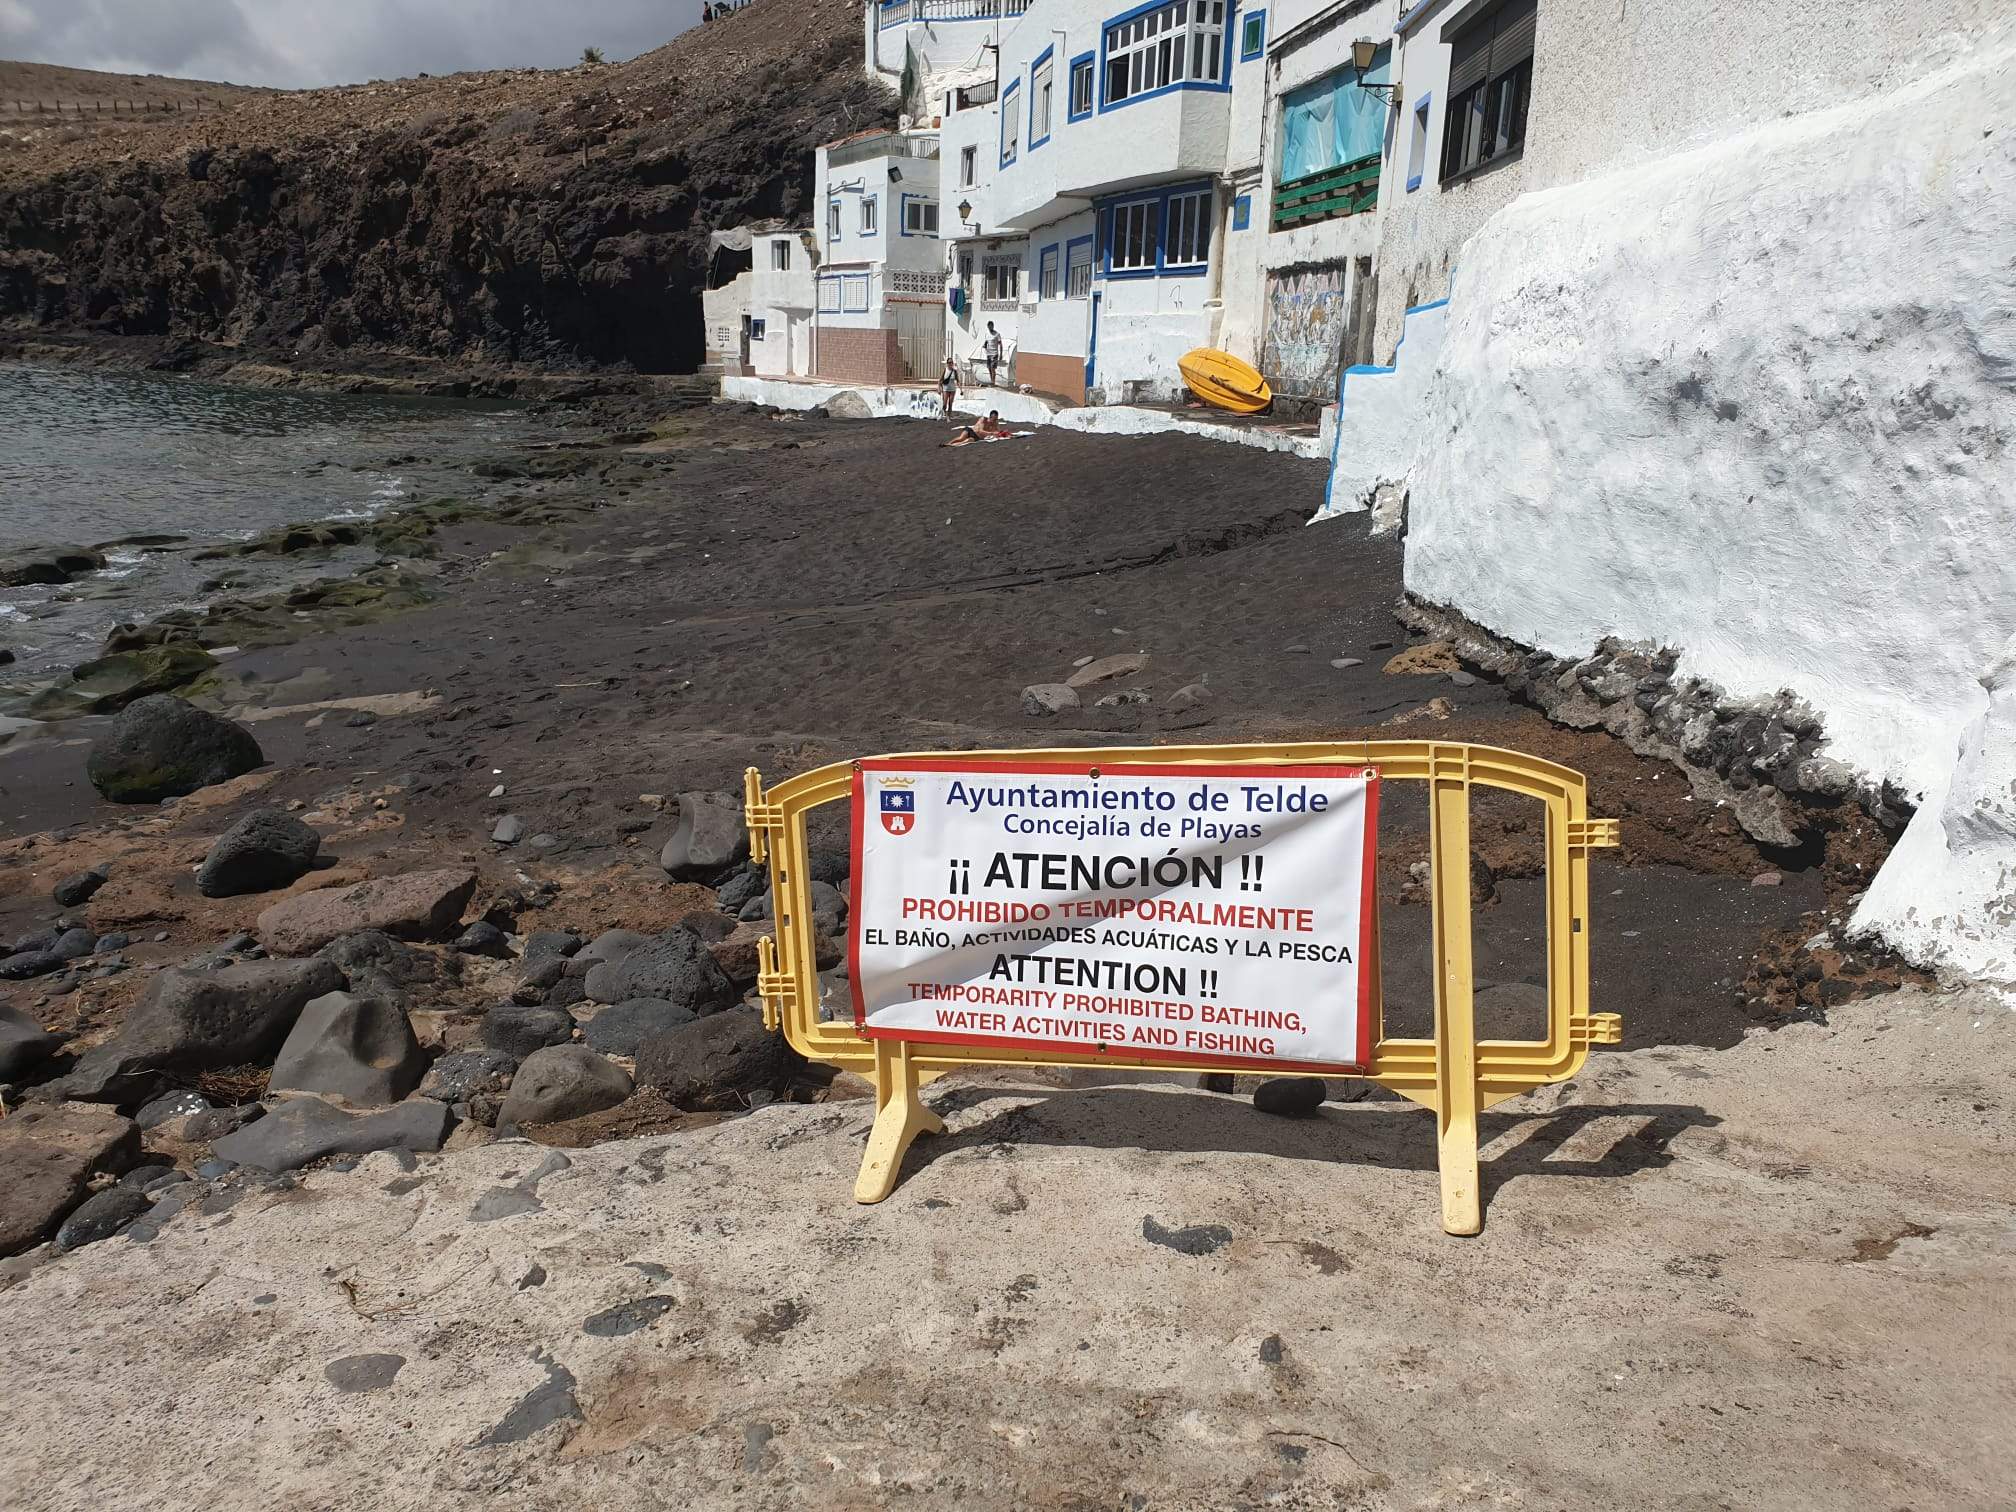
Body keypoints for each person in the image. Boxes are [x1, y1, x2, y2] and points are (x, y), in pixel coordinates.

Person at [942, 409, 1010, 447]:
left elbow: (998, 431)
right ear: (990, 417)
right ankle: (949, 443)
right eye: (994, 419)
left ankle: (950, 445)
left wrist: (1003, 433)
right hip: (971, 431)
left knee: (967, 441)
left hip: (977, 437)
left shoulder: (995, 422)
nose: (995, 420)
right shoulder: (984, 420)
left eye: (996, 419)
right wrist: (992, 432)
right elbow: (980, 431)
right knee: (961, 438)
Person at [983, 322, 1003, 386]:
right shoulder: (987, 334)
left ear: (993, 326)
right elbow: (986, 342)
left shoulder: (997, 334)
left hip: (994, 353)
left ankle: (993, 382)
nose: (990, 328)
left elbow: (1000, 344)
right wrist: (985, 346)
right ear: (988, 327)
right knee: (989, 368)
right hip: (988, 354)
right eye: (989, 326)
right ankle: (991, 380)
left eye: (991, 326)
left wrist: (1001, 354)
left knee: (992, 368)